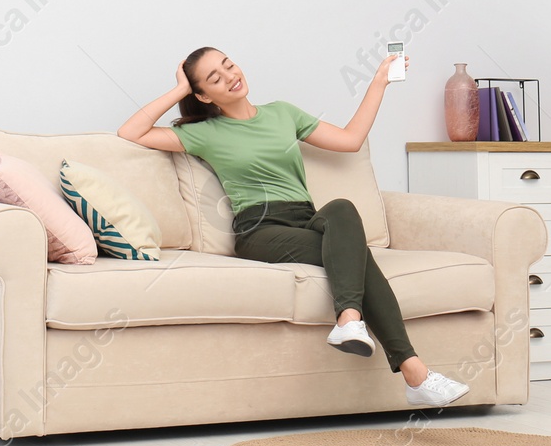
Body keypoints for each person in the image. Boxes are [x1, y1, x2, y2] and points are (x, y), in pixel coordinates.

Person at [116, 46, 470, 407]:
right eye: (215, 79)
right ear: (204, 95)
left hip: (305, 216)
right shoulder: (206, 132)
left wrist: (379, 83)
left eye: (229, 65)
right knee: (356, 255)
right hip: (260, 229)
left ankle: (352, 322)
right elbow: (131, 132)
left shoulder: (282, 113)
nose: (231, 76)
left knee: (343, 210)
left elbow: (350, 141)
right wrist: (180, 90)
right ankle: (412, 370)